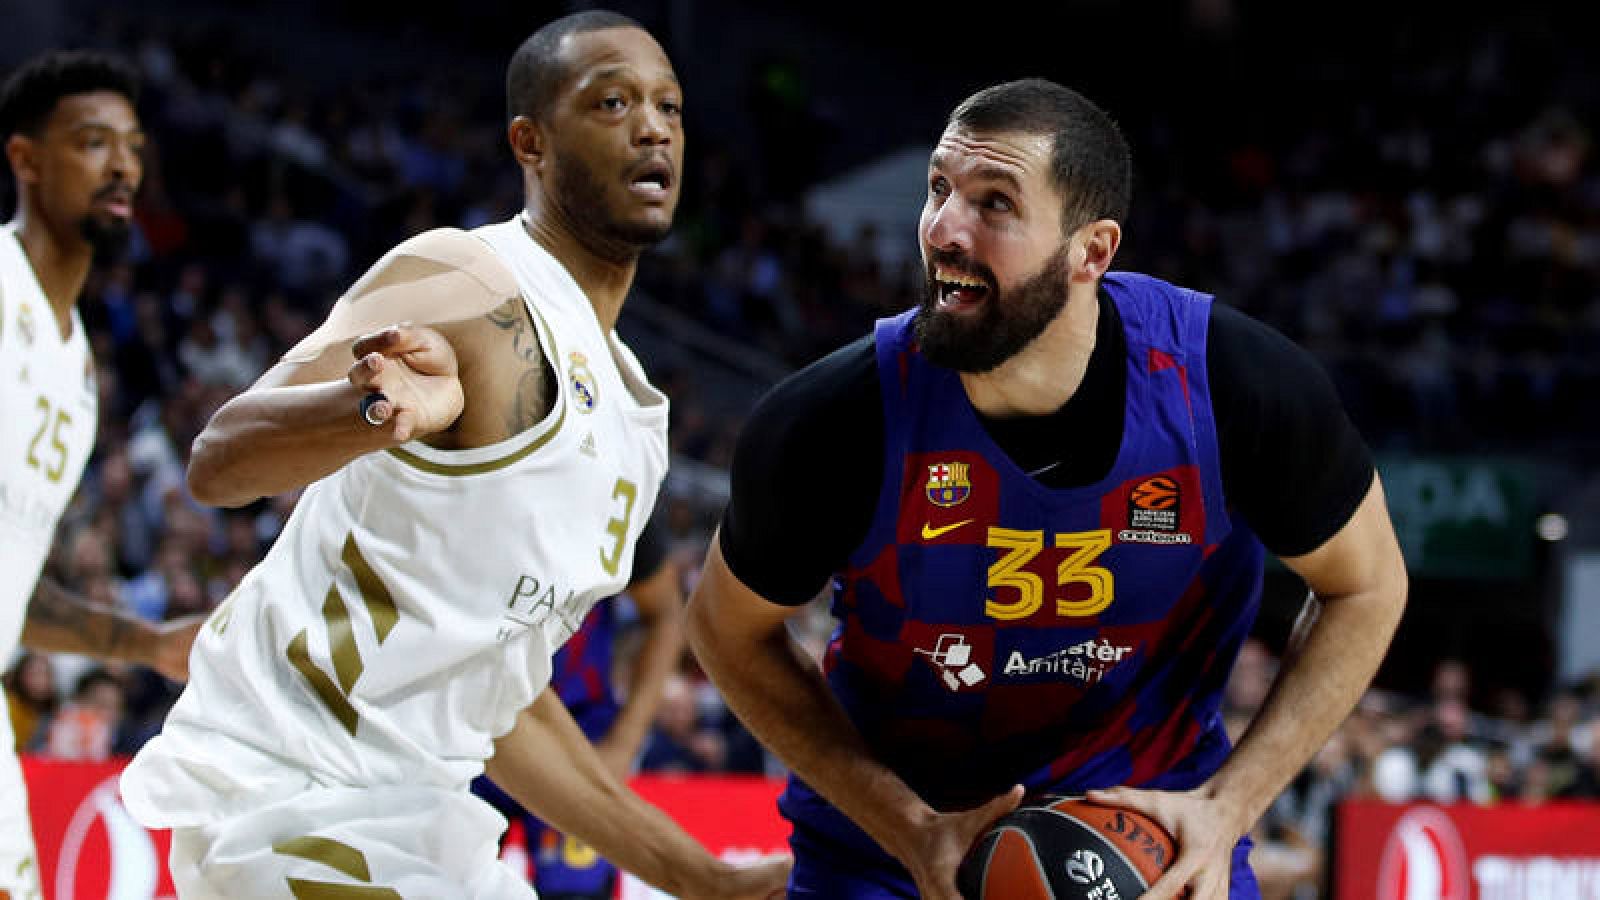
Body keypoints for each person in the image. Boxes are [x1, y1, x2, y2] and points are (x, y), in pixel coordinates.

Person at [686, 78, 1408, 900]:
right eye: (939, 188)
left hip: (1152, 844)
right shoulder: (836, 418)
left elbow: (1368, 585)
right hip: (892, 853)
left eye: (994, 203)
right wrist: (905, 824)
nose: (943, 229)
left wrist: (1231, 805)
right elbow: (725, 629)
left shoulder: (1232, 385)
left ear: (1091, 252)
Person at [121, 12, 787, 899]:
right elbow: (219, 460)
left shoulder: (636, 418)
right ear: (531, 142)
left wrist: (706, 880)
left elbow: (502, 701)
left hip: (427, 825)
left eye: (668, 105)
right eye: (613, 102)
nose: (652, 127)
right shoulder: (468, 280)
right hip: (291, 798)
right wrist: (373, 413)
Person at [0, 50, 201, 900]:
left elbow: (12, 593)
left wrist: (146, 644)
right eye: (92, 142)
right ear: (25, 158)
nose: (122, 166)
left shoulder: (78, 368)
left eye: (133, 147)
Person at [474, 517, 686, 898]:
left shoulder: (616, 494)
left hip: (578, 735)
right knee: (438, 885)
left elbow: (667, 614)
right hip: (472, 730)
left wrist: (624, 744)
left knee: (577, 892)